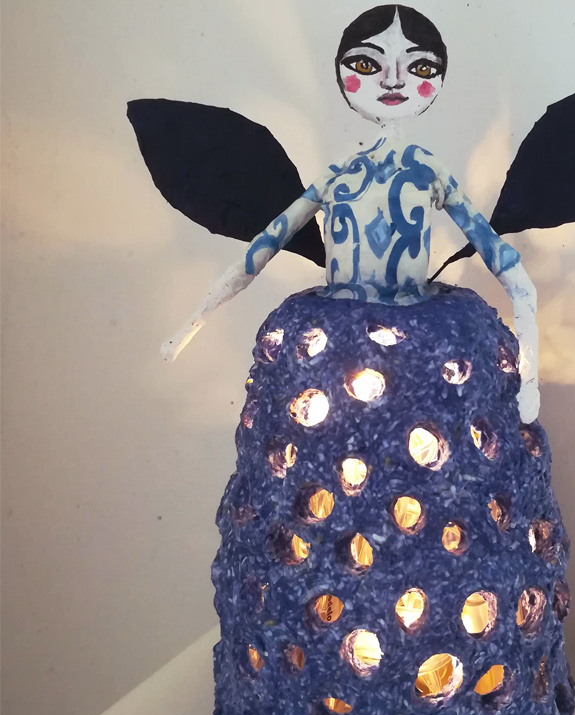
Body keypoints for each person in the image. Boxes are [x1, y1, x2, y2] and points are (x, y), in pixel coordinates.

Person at [160, 3, 540, 422]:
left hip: (413, 340)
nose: (394, 80)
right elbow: (265, 245)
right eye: (366, 64)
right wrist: (194, 322)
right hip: (333, 347)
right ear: (343, 75)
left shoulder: (426, 171)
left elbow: (505, 264)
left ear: (438, 78)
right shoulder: (340, 174)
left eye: (419, 68)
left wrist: (529, 377)